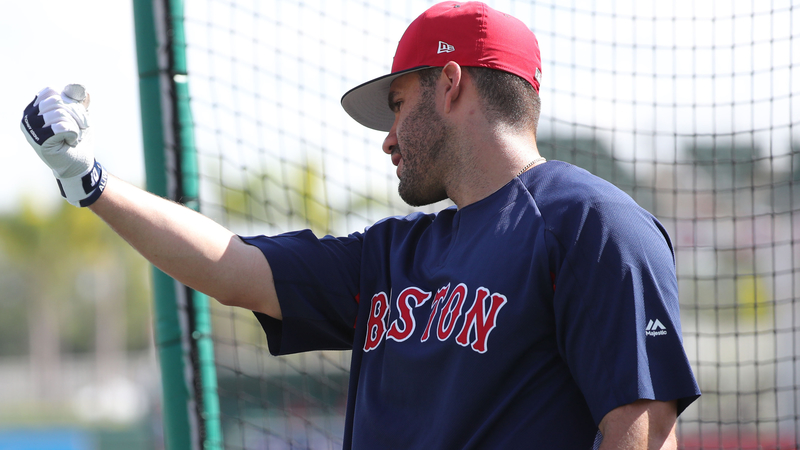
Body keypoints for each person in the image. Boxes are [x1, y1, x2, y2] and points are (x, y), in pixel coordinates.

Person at [21, 1, 700, 448]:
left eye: (399, 104)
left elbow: (641, 431)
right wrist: (91, 183)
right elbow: (235, 268)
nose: (388, 137)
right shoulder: (393, 254)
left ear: (452, 83)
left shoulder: (591, 224)